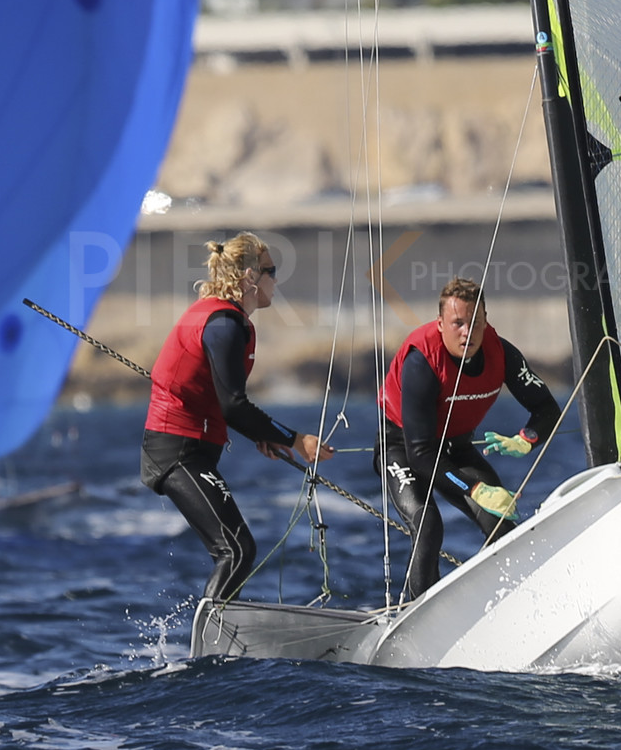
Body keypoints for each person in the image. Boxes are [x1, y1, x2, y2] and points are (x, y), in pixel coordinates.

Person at [141, 232, 333, 602]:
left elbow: (223, 400)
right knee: (237, 550)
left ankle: (222, 632)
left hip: (191, 450)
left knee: (237, 550)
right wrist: (295, 439)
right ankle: (213, 640)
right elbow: (234, 406)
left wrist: (265, 434)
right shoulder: (223, 325)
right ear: (249, 278)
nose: (276, 280)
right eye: (271, 271)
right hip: (175, 453)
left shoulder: (227, 320)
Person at [378, 276, 560, 601]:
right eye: (457, 323)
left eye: (475, 322)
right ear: (440, 324)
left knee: (500, 520)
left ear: (486, 320)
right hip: (404, 449)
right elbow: (421, 455)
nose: (467, 332)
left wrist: (526, 439)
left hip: (456, 448)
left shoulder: (501, 352)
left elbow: (546, 408)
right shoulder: (422, 362)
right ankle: (418, 608)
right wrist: (474, 489)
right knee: (428, 523)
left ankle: (511, 603)